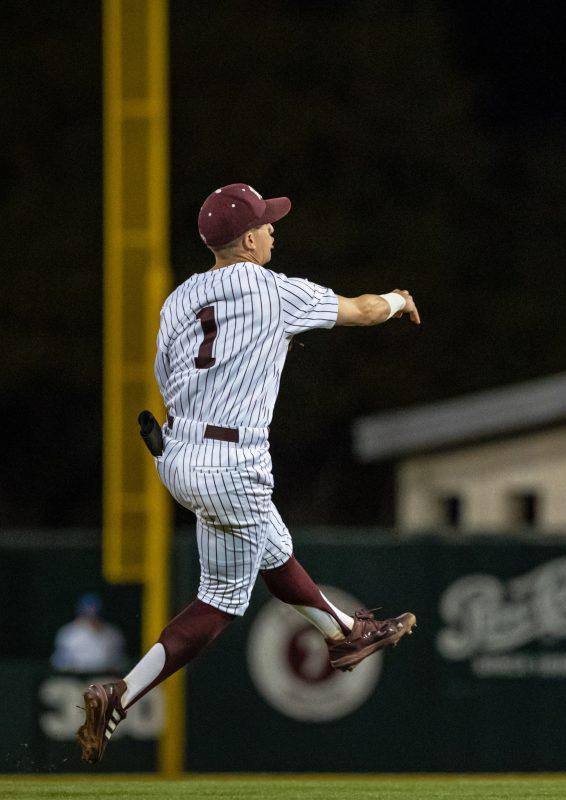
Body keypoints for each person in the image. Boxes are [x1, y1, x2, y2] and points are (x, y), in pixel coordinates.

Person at [77, 183, 421, 764]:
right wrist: (397, 299)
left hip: (178, 454)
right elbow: (360, 310)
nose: (272, 230)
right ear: (245, 238)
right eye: (265, 223)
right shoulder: (273, 291)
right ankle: (123, 692)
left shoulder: (181, 298)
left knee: (272, 546)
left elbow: (171, 369)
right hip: (232, 461)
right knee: (220, 603)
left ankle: (342, 633)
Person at [52, 593, 127, 674]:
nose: (91, 618)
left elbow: (120, 663)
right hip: (73, 677)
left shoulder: (113, 633)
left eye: (94, 614)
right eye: (87, 614)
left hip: (103, 676)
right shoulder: (67, 632)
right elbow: (58, 663)